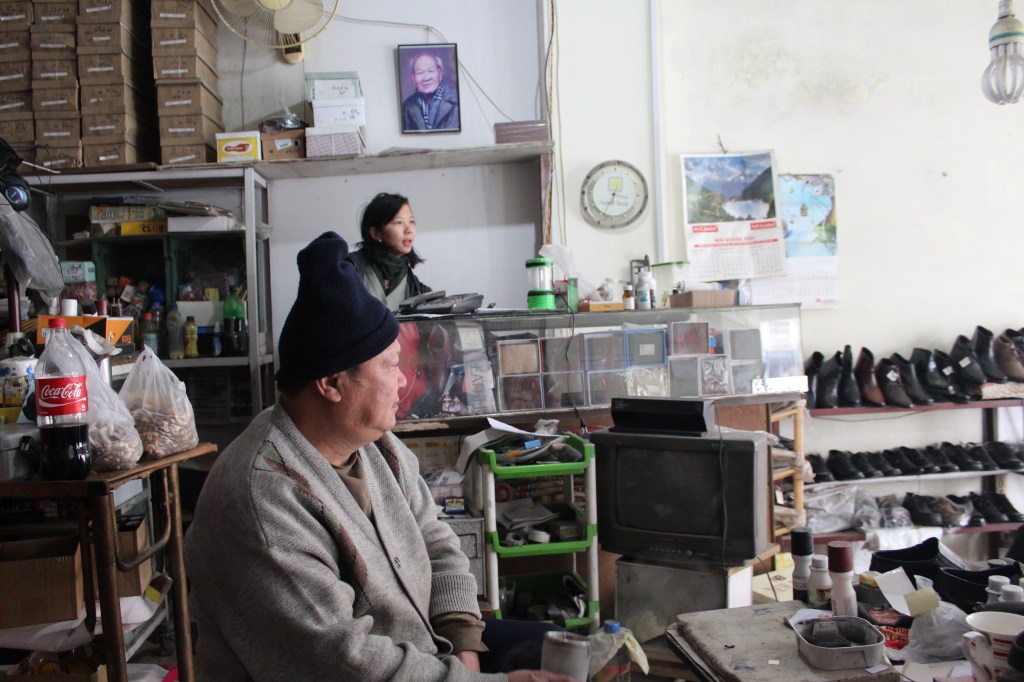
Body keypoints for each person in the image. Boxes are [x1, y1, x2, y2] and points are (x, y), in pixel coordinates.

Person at [184, 231, 577, 682]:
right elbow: (341, 661)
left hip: (424, 646)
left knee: (556, 646)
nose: (405, 382)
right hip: (360, 669)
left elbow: (437, 540)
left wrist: (463, 638)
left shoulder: (376, 445)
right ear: (331, 384)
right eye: (390, 366)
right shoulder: (263, 500)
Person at [348, 192, 432, 311]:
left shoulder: (414, 286)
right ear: (376, 233)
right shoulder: (350, 269)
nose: (409, 230)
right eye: (399, 222)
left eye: (411, 221)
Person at [402, 51, 460, 132]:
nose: (426, 78)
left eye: (430, 71)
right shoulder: (407, 106)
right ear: (413, 78)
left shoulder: (457, 100)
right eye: (420, 73)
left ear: (440, 73)